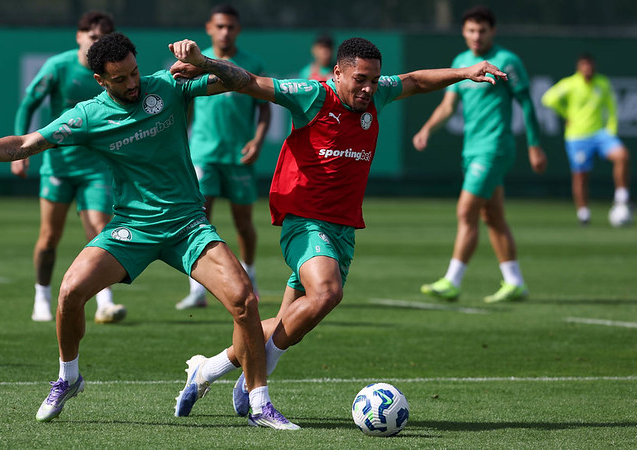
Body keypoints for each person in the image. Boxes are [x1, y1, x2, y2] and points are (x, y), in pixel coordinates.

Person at [0, 33, 297, 430]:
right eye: (120, 79)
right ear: (100, 80)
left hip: (186, 224)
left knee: (244, 300)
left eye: (134, 72)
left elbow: (241, 82)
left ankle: (260, 404)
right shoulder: (88, 116)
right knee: (70, 292)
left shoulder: (168, 85)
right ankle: (68, 378)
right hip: (132, 228)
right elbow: (23, 144)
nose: (132, 83)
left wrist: (204, 62)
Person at [169, 37, 509, 421]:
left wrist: (464, 72)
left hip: (343, 228)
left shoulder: (377, 95)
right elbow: (250, 82)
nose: (368, 88)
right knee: (327, 292)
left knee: (289, 323)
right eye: (360, 79)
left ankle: (207, 369)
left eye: (374, 80)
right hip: (305, 221)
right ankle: (257, 381)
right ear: (338, 73)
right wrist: (207, 63)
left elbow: (415, 80)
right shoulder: (312, 96)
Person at [412, 6, 548, 304]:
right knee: (493, 216)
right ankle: (515, 282)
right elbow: (448, 106)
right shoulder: (461, 62)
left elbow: (526, 103)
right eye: (471, 30)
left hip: (494, 148)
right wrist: (427, 129)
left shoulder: (507, 61)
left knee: (466, 211)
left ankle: (452, 281)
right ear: (463, 32)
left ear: (492, 31)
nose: (476, 36)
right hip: (471, 150)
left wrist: (535, 145)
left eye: (482, 31)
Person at [12, 11, 126, 324]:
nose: (96, 41)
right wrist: (21, 152)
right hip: (58, 165)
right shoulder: (58, 67)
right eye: (91, 36)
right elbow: (28, 104)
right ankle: (41, 296)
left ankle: (105, 302)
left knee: (100, 230)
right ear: (78, 36)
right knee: (49, 237)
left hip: (97, 166)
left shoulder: (113, 72)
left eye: (103, 38)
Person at [177, 4, 271, 310]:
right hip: (204, 154)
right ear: (209, 28)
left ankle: (250, 276)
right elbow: (184, 106)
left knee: (243, 223)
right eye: (220, 26)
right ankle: (197, 289)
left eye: (230, 27)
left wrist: (258, 141)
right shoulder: (195, 61)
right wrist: (181, 143)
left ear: (238, 30)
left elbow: (265, 108)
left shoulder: (251, 63)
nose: (225, 32)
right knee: (198, 221)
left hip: (239, 155)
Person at [541, 53, 632, 226]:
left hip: (600, 134)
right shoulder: (570, 84)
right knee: (580, 175)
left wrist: (611, 129)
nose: (587, 69)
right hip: (577, 137)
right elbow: (548, 99)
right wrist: (566, 114)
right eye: (584, 65)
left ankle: (621, 197)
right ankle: (583, 212)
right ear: (579, 67)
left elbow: (611, 107)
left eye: (590, 65)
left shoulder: (602, 83)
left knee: (622, 155)